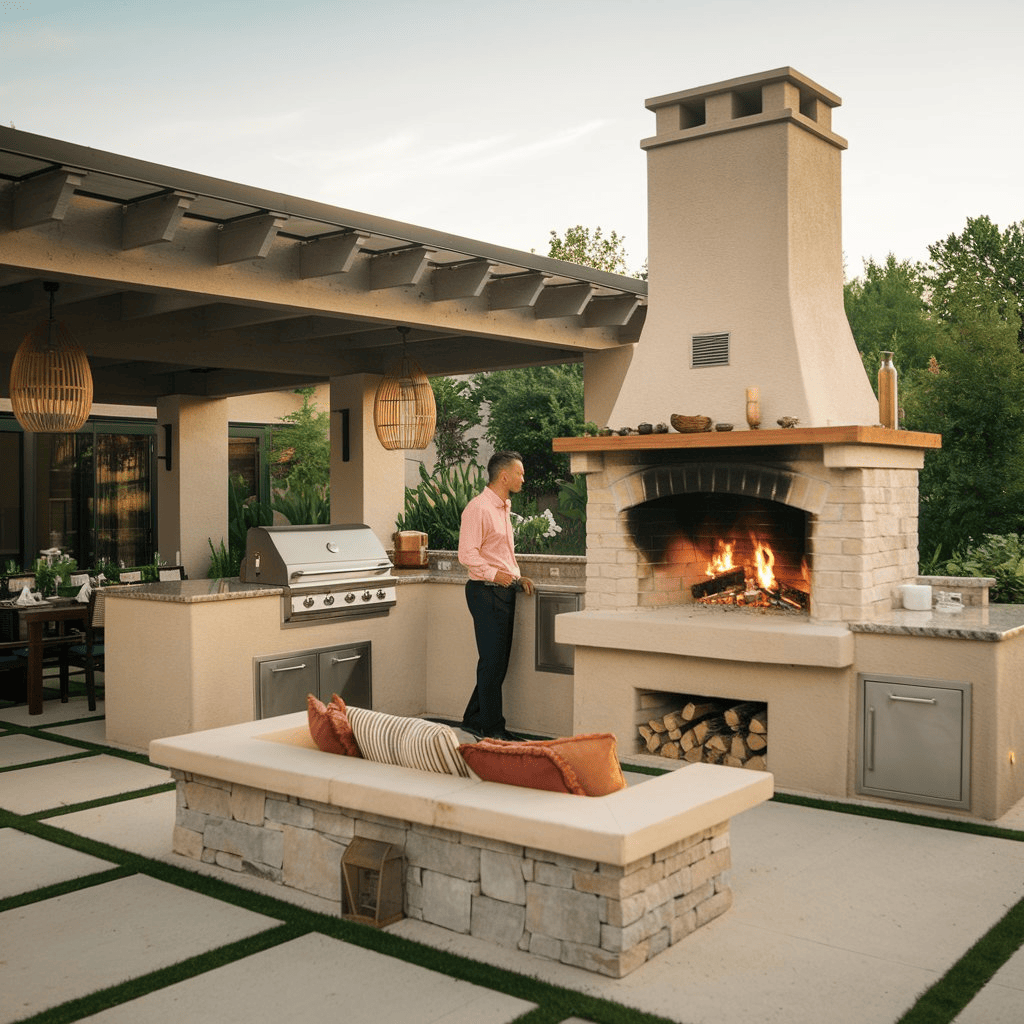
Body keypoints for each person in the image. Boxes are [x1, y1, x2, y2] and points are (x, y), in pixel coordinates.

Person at [457, 451, 535, 740]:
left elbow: (500, 554)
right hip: (485, 592)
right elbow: (467, 554)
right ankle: (492, 730)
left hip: (502, 590)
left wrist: (516, 577)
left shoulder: (502, 509)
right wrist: (495, 575)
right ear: (504, 476)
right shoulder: (478, 508)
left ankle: (474, 718)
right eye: (520, 473)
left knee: (497, 662)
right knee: (492, 662)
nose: (523, 478)